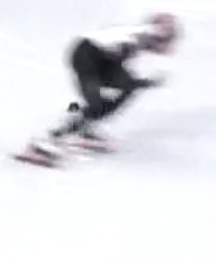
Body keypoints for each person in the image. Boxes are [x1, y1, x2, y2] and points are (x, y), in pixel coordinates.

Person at [18, 13, 182, 166]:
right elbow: (116, 65)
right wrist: (138, 81)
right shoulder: (140, 37)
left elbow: (117, 67)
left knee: (123, 91)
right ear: (161, 38)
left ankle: (83, 127)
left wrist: (138, 82)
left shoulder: (138, 37)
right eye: (168, 42)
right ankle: (45, 141)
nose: (167, 48)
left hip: (96, 55)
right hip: (87, 55)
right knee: (97, 102)